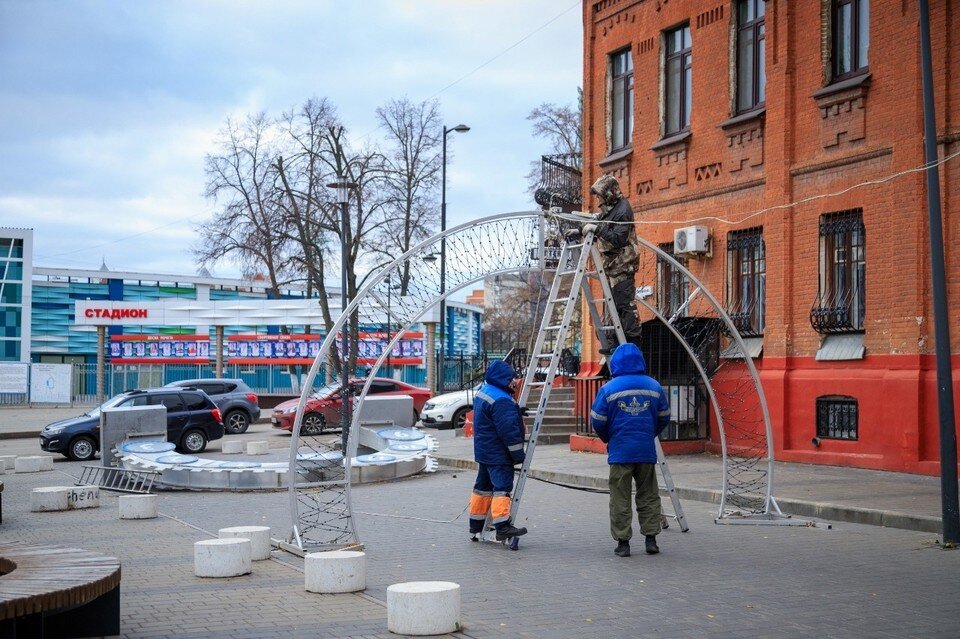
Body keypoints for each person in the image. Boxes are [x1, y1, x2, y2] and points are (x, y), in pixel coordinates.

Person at [590, 342, 671, 557]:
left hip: (620, 452)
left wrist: (609, 437)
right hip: (645, 451)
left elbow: (597, 420)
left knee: (620, 497)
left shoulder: (608, 389)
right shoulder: (654, 386)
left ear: (616, 363)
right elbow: (664, 417)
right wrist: (649, 433)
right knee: (649, 495)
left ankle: (623, 543)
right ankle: (651, 539)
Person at [468, 359, 528, 542]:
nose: (515, 382)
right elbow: (508, 432)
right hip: (499, 454)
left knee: (482, 489)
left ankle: (475, 526)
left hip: (484, 452)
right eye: (512, 378)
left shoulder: (485, 392)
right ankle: (503, 527)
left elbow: (492, 419)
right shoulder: (502, 400)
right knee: (502, 489)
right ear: (503, 379)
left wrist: (515, 411)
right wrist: (518, 455)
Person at [582, 174, 642, 354]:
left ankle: (631, 345)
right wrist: (579, 229)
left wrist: (596, 229)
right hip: (612, 267)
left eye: (600, 195)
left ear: (608, 193)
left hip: (623, 265)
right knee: (611, 305)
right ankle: (613, 342)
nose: (598, 200)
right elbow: (601, 220)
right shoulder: (612, 208)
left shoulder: (623, 210)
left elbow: (618, 238)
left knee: (624, 305)